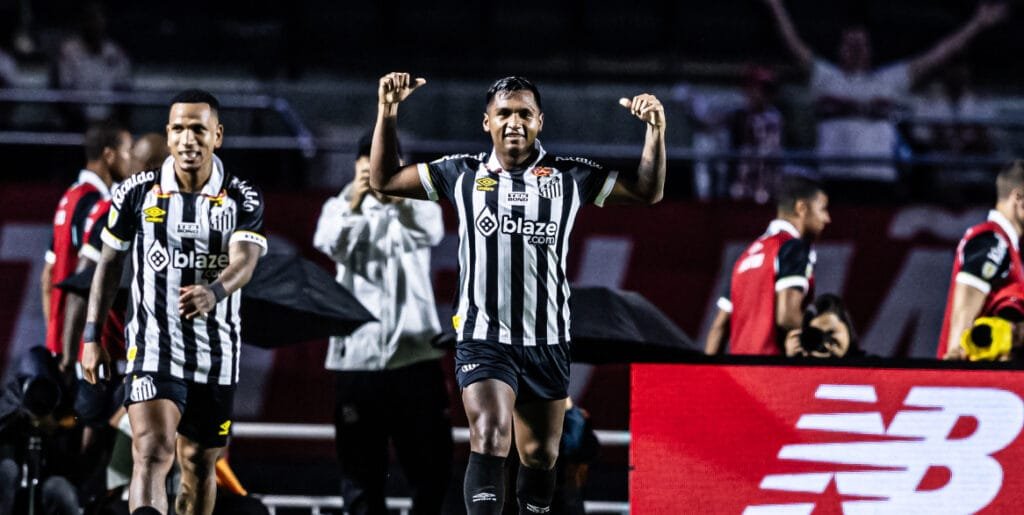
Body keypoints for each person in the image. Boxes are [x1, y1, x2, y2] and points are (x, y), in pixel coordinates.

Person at [369, 72, 665, 515]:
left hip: (547, 341)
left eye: (524, 113)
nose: (514, 122)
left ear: (539, 121)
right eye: (504, 113)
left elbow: (647, 191)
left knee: (541, 455)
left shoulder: (570, 176)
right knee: (490, 434)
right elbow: (385, 179)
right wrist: (388, 110)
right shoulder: (461, 173)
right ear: (486, 121)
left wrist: (655, 131)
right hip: (484, 337)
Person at [81, 89, 268, 515]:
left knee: (199, 464)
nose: (188, 139)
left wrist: (214, 291)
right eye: (179, 129)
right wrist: (92, 335)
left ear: (217, 135)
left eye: (198, 129)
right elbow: (108, 264)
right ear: (168, 135)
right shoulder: (136, 192)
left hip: (215, 354)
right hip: (153, 348)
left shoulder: (242, 196)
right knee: (152, 450)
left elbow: (245, 260)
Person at [312, 133, 452, 515]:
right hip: (357, 361)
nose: (376, 172)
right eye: (369, 166)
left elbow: (431, 231)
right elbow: (328, 242)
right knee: (360, 476)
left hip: (415, 357)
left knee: (432, 472)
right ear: (356, 168)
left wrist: (395, 194)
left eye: (386, 165)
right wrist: (355, 202)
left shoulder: (418, 204)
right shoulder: (338, 206)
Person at [762, 0, 1007, 182]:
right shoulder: (825, 78)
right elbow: (793, 44)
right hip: (833, 177)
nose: (855, 50)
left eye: (861, 45)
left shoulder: (890, 80)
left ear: (871, 50)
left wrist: (977, 23)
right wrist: (776, 6)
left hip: (878, 179)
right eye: (850, 45)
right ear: (839, 49)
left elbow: (938, 55)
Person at [41, 122, 132, 379]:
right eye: (128, 151)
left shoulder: (70, 197)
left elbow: (48, 276)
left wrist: (55, 336)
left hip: (64, 341)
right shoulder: (97, 205)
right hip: (85, 345)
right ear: (109, 154)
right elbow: (86, 277)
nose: (131, 160)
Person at [705, 176, 830, 355]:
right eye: (823, 209)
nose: (827, 219)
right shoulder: (793, 247)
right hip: (773, 367)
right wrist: (824, 342)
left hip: (739, 369)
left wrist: (706, 371)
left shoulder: (746, 256)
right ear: (801, 208)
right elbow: (787, 316)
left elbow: (719, 327)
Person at [939, 160, 1024, 360]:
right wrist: (955, 359)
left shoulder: (1004, 244)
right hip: (971, 374)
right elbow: (964, 307)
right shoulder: (994, 242)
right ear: (1018, 197)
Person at [52, 2, 132, 129]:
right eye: (89, 19)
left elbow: (123, 92)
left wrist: (110, 121)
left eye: (98, 19)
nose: (94, 24)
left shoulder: (115, 52)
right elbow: (65, 93)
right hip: (78, 123)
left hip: (110, 123)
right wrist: (86, 122)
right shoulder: (69, 52)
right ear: (82, 22)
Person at [783, 293, 860, 358]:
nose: (826, 344)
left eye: (831, 332)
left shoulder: (866, 367)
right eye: (817, 335)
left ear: (847, 328)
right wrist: (792, 361)